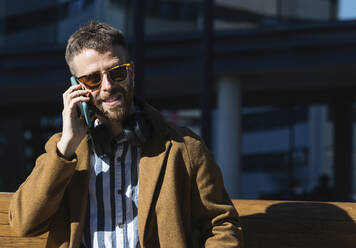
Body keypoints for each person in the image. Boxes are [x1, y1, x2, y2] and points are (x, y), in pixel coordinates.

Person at [9, 21, 243, 247]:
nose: (107, 85)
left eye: (117, 72)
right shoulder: (63, 151)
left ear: (131, 72)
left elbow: (221, 225)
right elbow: (23, 224)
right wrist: (67, 146)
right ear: (76, 88)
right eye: (92, 79)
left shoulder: (184, 147)